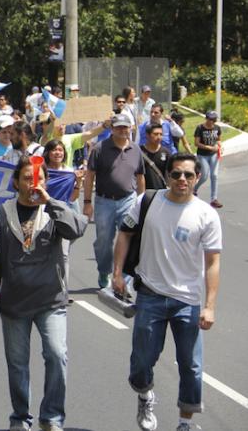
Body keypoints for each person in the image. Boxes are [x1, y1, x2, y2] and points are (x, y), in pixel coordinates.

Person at [0, 156, 88, 431]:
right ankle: (20, 418)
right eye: (27, 178)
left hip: (51, 300)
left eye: (40, 178)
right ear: (16, 182)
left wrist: (50, 202)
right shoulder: (0, 215)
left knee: (57, 355)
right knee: (18, 364)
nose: (34, 183)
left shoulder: (56, 210)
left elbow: (77, 229)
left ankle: (52, 418)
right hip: (14, 302)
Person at [112, 153, 222, 431]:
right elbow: (124, 233)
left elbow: (212, 263)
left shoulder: (207, 214)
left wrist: (209, 305)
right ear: (167, 176)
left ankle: (185, 423)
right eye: (176, 174)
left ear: (197, 178)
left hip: (188, 301)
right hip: (150, 294)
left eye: (188, 175)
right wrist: (117, 273)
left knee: (191, 366)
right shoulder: (147, 201)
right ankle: (145, 394)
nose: (181, 179)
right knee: (141, 361)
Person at [82, 112, 145, 289]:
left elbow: (140, 177)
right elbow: (89, 176)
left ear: (130, 128)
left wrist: (142, 203)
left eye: (125, 127)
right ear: (112, 128)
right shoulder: (100, 148)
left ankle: (123, 275)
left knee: (129, 237)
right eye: (119, 127)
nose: (122, 130)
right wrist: (87, 202)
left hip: (129, 200)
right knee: (104, 241)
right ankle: (104, 271)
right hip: (104, 202)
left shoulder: (136, 149)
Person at [194, 111, 222, 209]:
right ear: (206, 118)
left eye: (213, 119)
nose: (211, 121)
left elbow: (218, 139)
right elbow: (196, 143)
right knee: (204, 176)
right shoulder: (200, 128)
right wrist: (208, 147)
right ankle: (194, 190)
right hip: (202, 155)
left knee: (214, 175)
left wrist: (219, 146)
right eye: (210, 119)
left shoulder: (217, 128)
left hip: (214, 155)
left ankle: (214, 199)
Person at [140, 124, 170, 191]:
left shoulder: (166, 152)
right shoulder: (139, 152)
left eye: (161, 134)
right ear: (147, 135)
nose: (159, 137)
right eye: (156, 134)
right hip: (144, 192)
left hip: (161, 191)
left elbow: (169, 173)